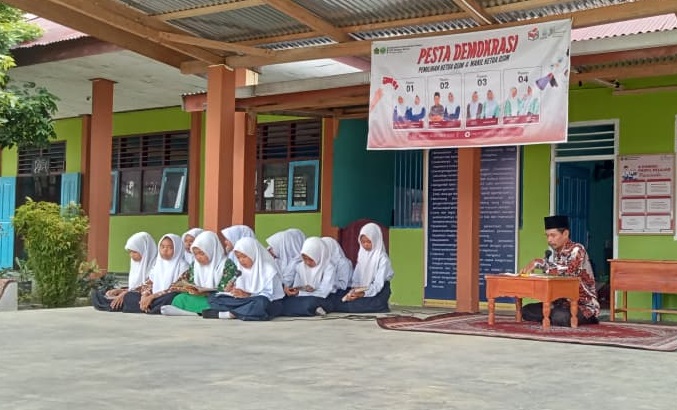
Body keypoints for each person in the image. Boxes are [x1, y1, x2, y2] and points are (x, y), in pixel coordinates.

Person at [519, 215, 600, 327]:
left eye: (553, 235)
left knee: (559, 316)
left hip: (582, 305)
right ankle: (551, 316)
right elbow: (555, 272)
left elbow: (568, 272)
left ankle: (557, 317)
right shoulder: (557, 254)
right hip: (559, 304)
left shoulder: (577, 249)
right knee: (526, 310)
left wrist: (539, 263)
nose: (549, 240)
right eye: (547, 236)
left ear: (565, 234)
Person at [204, 237, 285, 321]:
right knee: (213, 298)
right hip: (244, 302)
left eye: (244, 256)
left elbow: (268, 295)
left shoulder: (268, 270)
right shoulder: (240, 269)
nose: (241, 260)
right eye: (238, 257)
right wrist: (230, 290)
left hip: (263, 301)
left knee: (261, 303)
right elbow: (238, 292)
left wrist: (248, 295)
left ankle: (230, 314)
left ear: (253, 253)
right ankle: (244, 312)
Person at [160, 231, 238, 316]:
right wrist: (192, 289)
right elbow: (189, 282)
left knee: (217, 302)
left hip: (216, 298)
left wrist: (208, 291)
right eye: (195, 254)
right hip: (199, 297)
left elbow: (225, 290)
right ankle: (199, 313)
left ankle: (191, 313)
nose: (198, 257)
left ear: (211, 250)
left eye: (201, 253)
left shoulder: (227, 264)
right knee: (179, 298)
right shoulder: (195, 265)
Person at [332, 223, 394, 313]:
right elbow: (357, 278)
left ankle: (381, 306)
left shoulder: (383, 259)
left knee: (355, 305)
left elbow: (378, 285)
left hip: (379, 291)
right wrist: (354, 291)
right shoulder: (362, 255)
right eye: (363, 242)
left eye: (369, 242)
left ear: (376, 240)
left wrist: (363, 293)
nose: (365, 245)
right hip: (362, 290)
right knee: (342, 299)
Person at [121, 234, 189, 314]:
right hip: (154, 299)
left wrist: (152, 297)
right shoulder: (157, 264)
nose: (165, 250)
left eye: (170, 247)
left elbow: (177, 288)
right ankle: (150, 307)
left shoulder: (183, 266)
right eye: (162, 247)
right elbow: (149, 283)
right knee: (130, 296)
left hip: (164, 297)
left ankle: (148, 307)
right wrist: (145, 296)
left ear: (178, 249)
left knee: (172, 297)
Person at [91, 232, 156, 312]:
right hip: (133, 293)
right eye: (130, 252)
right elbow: (134, 287)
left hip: (147, 296)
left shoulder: (156, 265)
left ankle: (112, 303)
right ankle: (113, 302)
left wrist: (125, 293)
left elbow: (149, 287)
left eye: (134, 252)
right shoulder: (136, 264)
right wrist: (121, 291)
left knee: (129, 298)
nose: (131, 255)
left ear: (145, 250)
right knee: (100, 293)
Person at [281, 237, 336, 317]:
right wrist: (297, 289)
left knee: (311, 302)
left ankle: (312, 308)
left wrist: (302, 292)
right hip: (303, 297)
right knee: (284, 301)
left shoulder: (329, 267)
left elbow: (324, 292)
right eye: (304, 258)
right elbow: (297, 286)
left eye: (311, 259)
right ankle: (313, 309)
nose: (307, 262)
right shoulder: (300, 266)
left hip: (321, 297)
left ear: (319, 255)